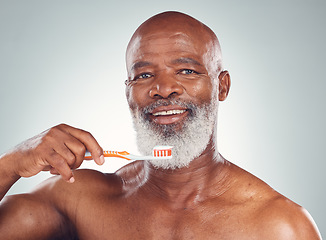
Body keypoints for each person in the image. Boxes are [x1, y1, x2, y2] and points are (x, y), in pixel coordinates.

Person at [0, 11, 321, 239]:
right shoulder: (77, 200)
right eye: (143, 75)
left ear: (222, 86)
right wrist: (11, 163)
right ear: (128, 93)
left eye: (187, 71)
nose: (163, 88)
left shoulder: (280, 226)